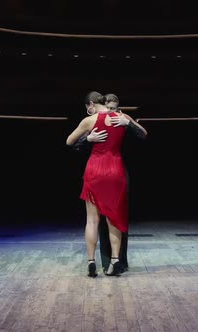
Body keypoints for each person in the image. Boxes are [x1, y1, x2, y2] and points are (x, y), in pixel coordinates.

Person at [66, 91, 147, 277]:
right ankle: (115, 261)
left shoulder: (89, 120)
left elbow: (69, 141)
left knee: (92, 220)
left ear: (91, 105)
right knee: (114, 219)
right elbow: (144, 134)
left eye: (88, 107)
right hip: (115, 170)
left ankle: (91, 262)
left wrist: (88, 138)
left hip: (95, 170)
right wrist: (128, 124)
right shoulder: (122, 116)